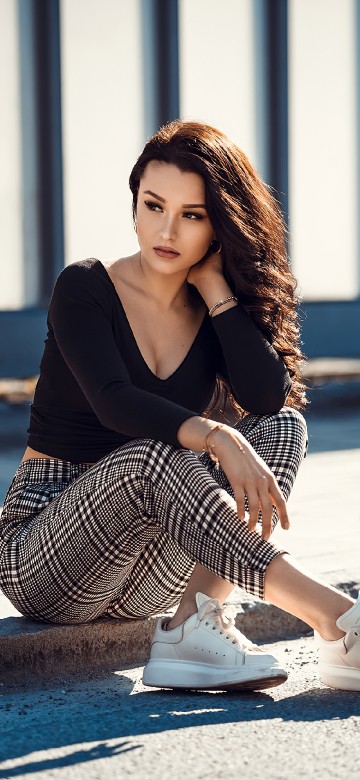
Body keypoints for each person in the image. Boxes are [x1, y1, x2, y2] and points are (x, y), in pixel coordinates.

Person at [0, 120, 359, 693]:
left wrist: (217, 293)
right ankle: (335, 619)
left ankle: (194, 622)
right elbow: (115, 403)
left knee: (282, 426)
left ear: (218, 227)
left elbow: (268, 398)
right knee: (151, 456)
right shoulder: (85, 288)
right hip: (48, 555)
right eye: (153, 205)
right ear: (135, 205)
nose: (166, 230)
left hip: (150, 570)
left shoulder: (207, 309)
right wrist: (216, 435)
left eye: (192, 215)